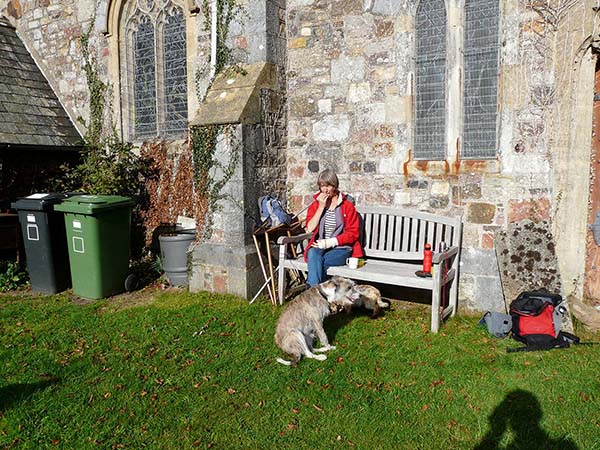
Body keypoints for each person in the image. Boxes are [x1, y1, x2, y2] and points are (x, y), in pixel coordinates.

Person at [304, 169, 363, 286]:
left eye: (328, 186)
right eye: (322, 186)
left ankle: (312, 293)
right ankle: (321, 296)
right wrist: (321, 207)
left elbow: (353, 233)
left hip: (341, 248)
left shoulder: (347, 206)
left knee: (317, 263)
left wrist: (330, 242)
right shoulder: (316, 204)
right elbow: (309, 228)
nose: (324, 190)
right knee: (313, 254)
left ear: (335, 186)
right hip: (319, 246)